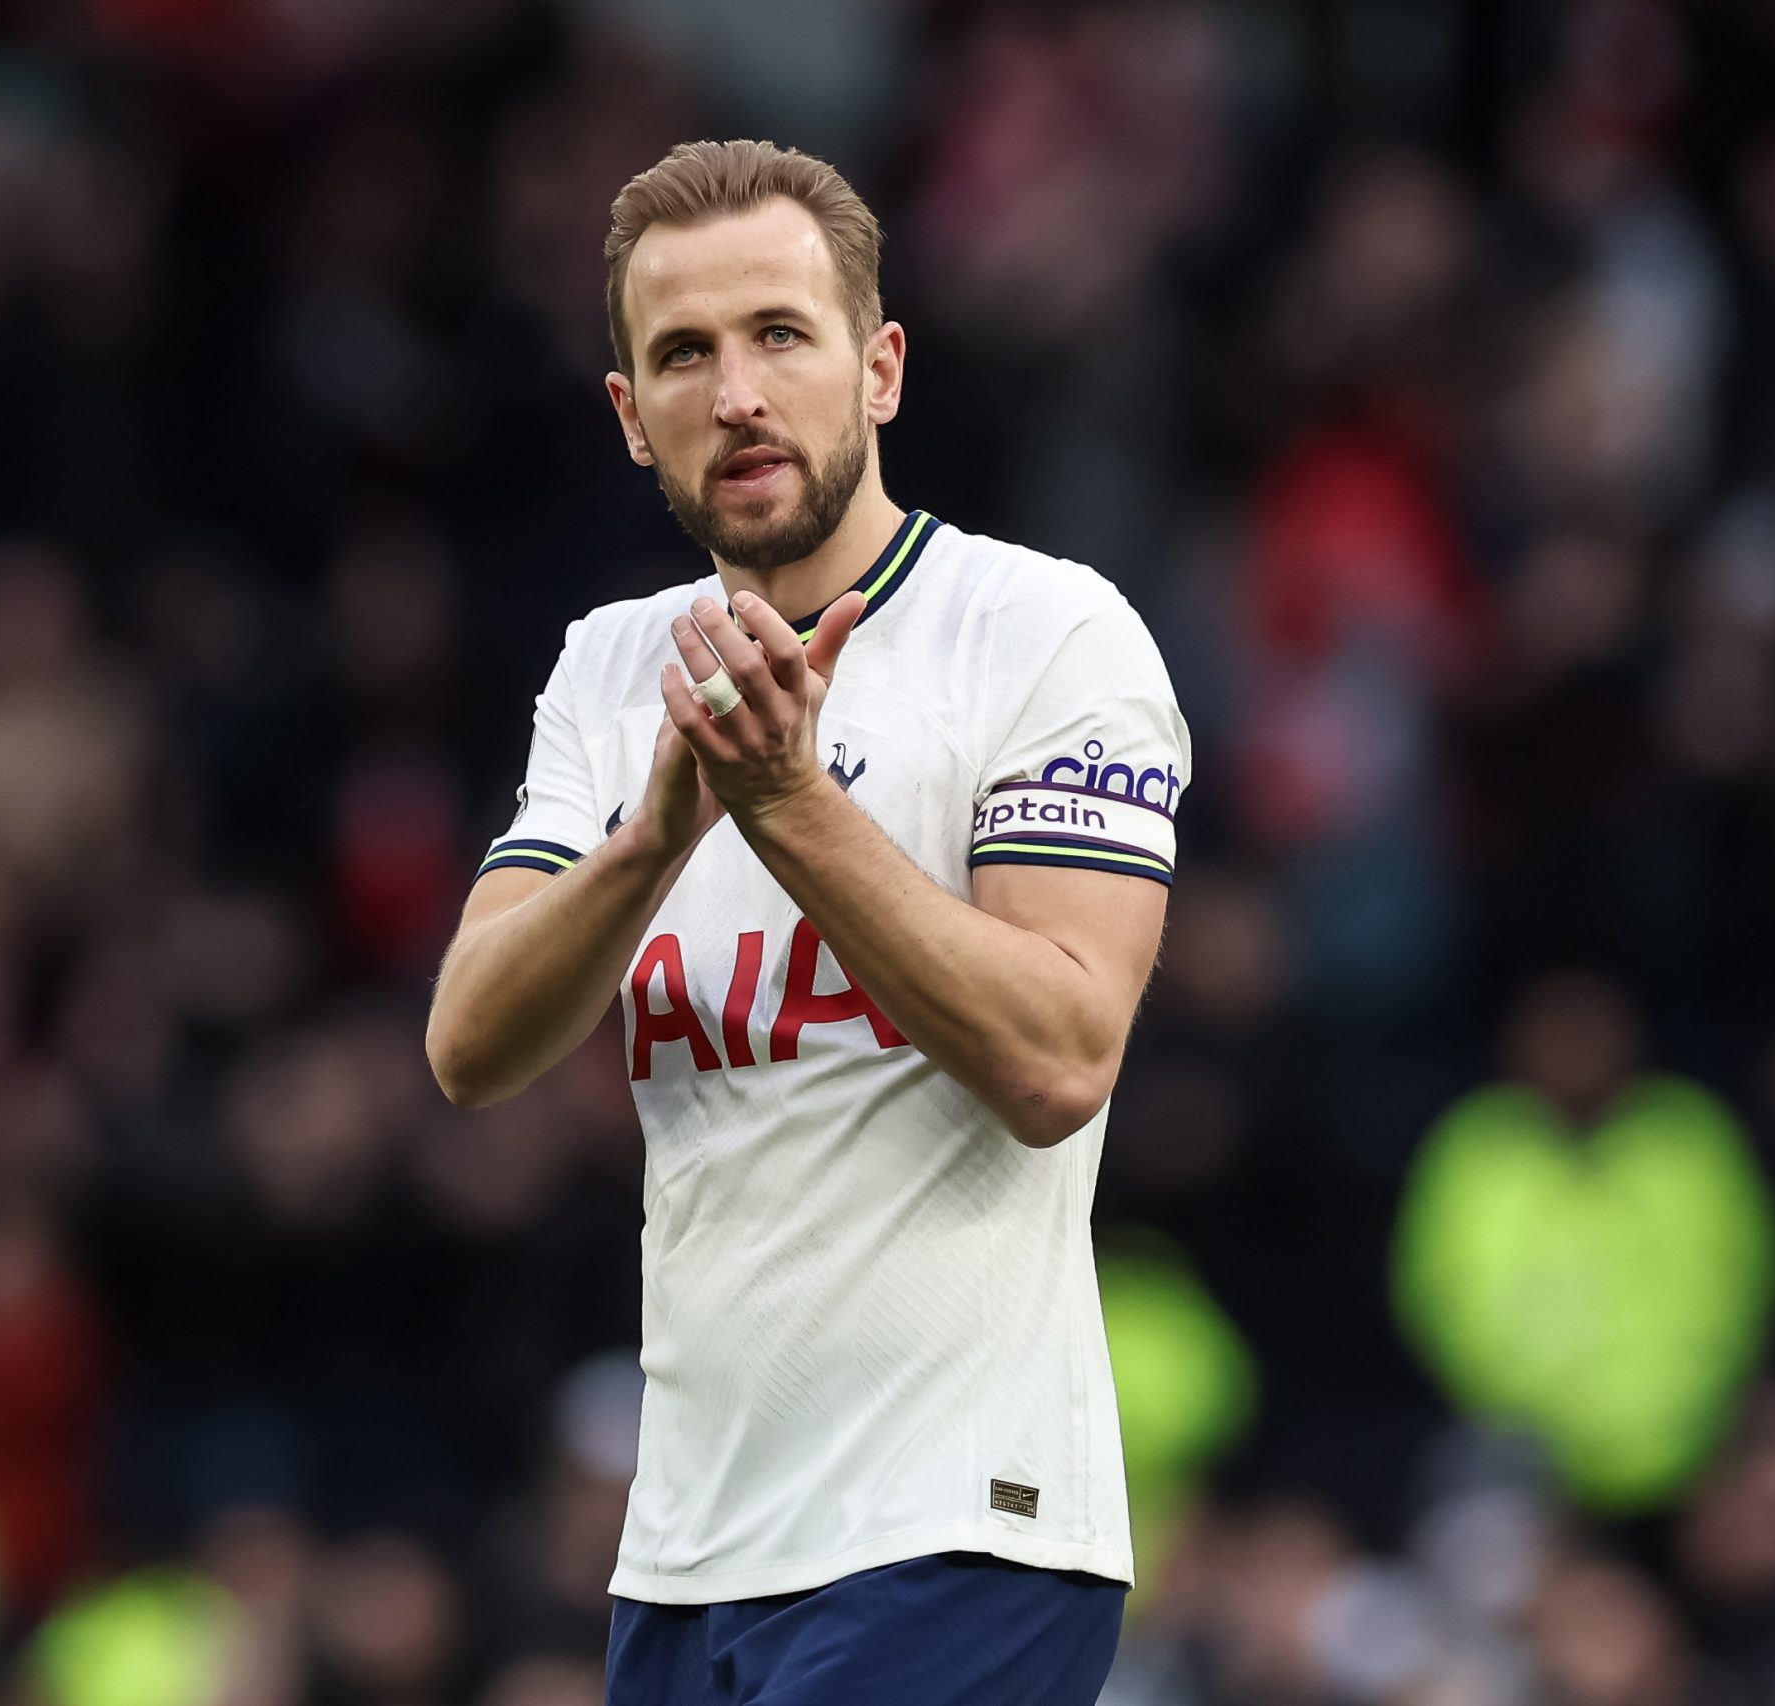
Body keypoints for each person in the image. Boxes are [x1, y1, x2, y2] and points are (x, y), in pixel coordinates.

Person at [424, 139, 1191, 1705]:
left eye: (782, 334)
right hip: (686, 1551)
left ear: (880, 367)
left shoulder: (1043, 631)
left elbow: (1062, 1057)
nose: (739, 394)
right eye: (684, 354)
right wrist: (654, 837)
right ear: (630, 413)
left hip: (961, 1525)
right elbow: (471, 1042)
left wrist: (786, 804)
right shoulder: (611, 664)